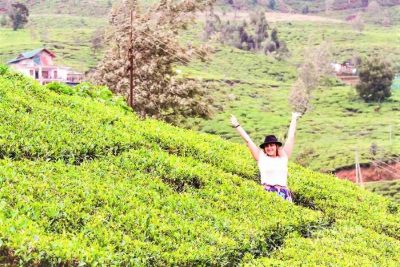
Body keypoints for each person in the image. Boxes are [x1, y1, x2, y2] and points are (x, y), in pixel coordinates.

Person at [230, 112, 302, 202]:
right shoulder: (261, 157)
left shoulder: (284, 157)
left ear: (276, 146)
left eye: (271, 145)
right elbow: (248, 141)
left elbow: (290, 137)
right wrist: (237, 125)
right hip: (266, 191)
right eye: (266, 146)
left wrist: (294, 118)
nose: (269, 148)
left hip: (283, 192)